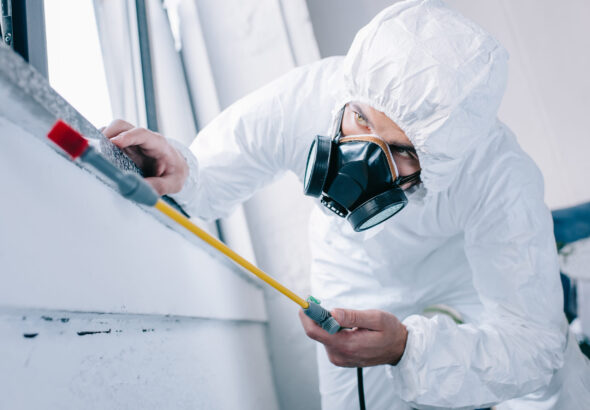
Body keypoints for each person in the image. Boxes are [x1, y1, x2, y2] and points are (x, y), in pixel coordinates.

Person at [102, 0, 590, 408]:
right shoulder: (310, 96)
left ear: (442, 158)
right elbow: (211, 173)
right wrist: (182, 170)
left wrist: (409, 348)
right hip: (353, 271)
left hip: (464, 269)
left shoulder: (500, 176)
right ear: (350, 92)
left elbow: (533, 345)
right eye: (360, 120)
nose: (362, 156)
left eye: (399, 152)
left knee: (559, 386)